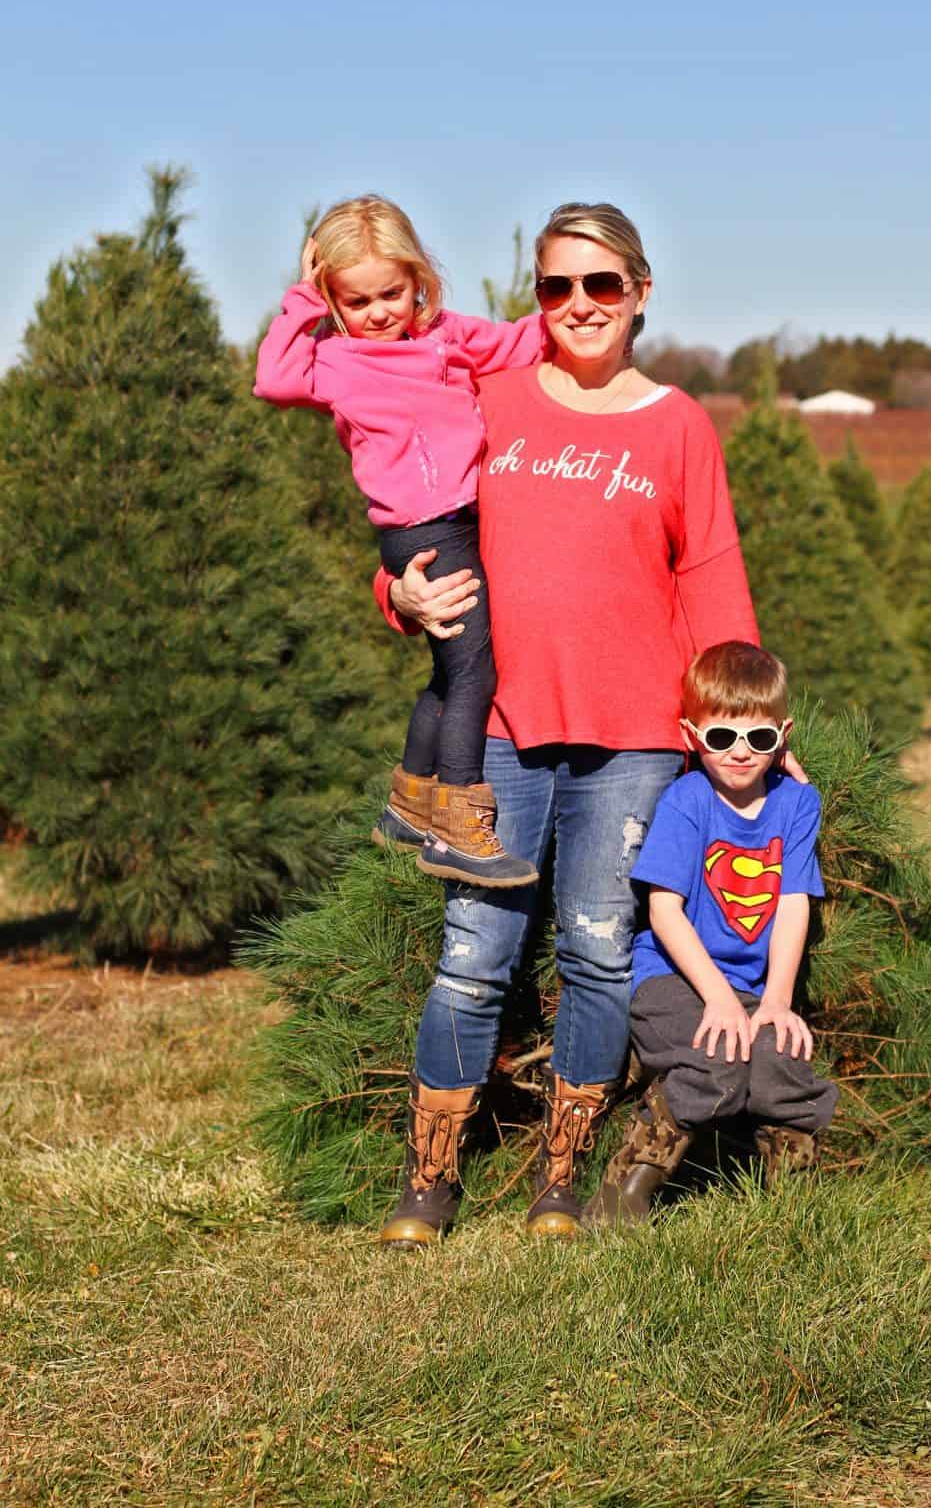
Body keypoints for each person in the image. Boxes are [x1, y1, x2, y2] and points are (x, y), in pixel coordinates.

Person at [370, 201, 771, 1250]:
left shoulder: (678, 423)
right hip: (500, 727)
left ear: (640, 292)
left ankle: (561, 1178)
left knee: (598, 948)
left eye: (602, 286)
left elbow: (710, 574)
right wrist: (396, 596)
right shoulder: (490, 401)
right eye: (558, 287)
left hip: (635, 738)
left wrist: (745, 721)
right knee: (475, 951)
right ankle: (430, 1179)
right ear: (537, 298)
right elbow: (419, 526)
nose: (579, 306)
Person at [254, 194, 546, 889]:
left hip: (456, 524)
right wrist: (301, 298)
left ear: (419, 279)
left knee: (449, 674)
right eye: (357, 300)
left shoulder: (445, 335)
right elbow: (271, 378)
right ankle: (459, 825)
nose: (379, 311)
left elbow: (520, 342)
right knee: (477, 673)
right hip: (421, 534)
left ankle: (408, 807)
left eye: (392, 291)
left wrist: (580, 309)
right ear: (332, 300)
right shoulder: (333, 358)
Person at [584, 640, 838, 1227]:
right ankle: (625, 1192)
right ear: (693, 736)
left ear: (783, 736)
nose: (741, 753)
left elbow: (794, 903)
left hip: (753, 986)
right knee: (718, 1057)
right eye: (722, 737)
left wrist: (776, 1000)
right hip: (673, 979)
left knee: (782, 1056)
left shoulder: (798, 804)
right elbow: (664, 911)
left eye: (760, 738)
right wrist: (719, 998)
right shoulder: (687, 800)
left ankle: (791, 1199)